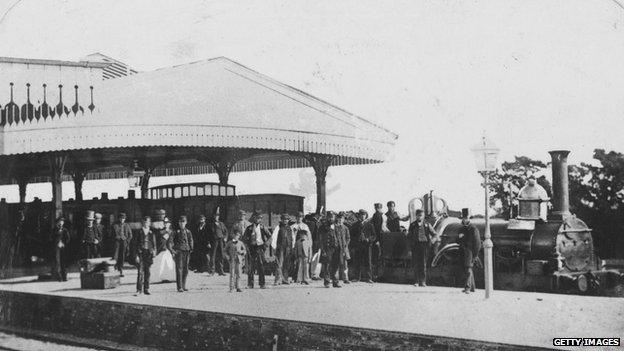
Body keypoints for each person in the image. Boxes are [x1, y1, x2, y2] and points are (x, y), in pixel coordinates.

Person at [407, 209, 437, 287]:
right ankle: (416, 281)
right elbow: (409, 237)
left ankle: (423, 281)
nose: (419, 217)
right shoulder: (412, 225)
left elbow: (435, 234)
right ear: (416, 216)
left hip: (424, 246)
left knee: (423, 264)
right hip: (415, 246)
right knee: (416, 264)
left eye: (421, 215)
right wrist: (410, 248)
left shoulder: (427, 224)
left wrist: (431, 242)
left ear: (423, 216)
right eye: (418, 215)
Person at [242, 212, 271, 289]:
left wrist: (265, 245)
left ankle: (262, 284)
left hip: (260, 247)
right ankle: (250, 284)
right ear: (254, 218)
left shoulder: (262, 227)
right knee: (251, 266)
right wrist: (246, 246)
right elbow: (244, 239)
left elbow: (270, 237)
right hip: (251, 248)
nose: (258, 220)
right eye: (257, 218)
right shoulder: (249, 228)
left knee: (261, 265)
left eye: (260, 218)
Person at [457, 208, 481, 294]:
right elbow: (457, 240)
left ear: (469, 218)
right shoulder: (461, 229)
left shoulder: (473, 229)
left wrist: (475, 255)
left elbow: (477, 244)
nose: (465, 219)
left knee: (468, 269)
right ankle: (472, 288)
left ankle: (467, 288)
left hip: (470, 252)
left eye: (466, 218)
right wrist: (459, 238)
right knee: (467, 269)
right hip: (462, 252)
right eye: (464, 218)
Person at [321, 211, 347, 288]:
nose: (331, 218)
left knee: (336, 265)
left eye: (332, 217)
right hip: (328, 248)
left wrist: (342, 249)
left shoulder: (337, 226)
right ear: (326, 217)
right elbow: (321, 239)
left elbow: (341, 238)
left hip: (337, 248)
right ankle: (327, 281)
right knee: (327, 265)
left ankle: (335, 282)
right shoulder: (323, 226)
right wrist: (323, 250)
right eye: (329, 217)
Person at [132, 216, 157, 296]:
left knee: (147, 272)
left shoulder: (151, 233)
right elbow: (135, 245)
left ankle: (146, 289)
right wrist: (136, 255)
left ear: (149, 223)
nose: (146, 224)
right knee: (140, 272)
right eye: (145, 222)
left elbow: (154, 243)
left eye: (148, 222)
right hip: (141, 253)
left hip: (148, 254)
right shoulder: (139, 232)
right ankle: (139, 289)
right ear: (143, 223)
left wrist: (154, 252)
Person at [169, 216, 194, 292]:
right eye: (180, 222)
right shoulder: (176, 232)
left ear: (186, 222)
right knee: (179, 269)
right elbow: (170, 242)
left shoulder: (188, 232)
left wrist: (191, 248)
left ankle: (183, 285)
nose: (182, 223)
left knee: (186, 269)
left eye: (183, 222)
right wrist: (172, 251)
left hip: (186, 251)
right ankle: (179, 287)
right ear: (179, 223)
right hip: (179, 251)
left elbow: (191, 240)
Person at [151, 216, 176, 283]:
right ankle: (160, 278)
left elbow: (171, 241)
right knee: (160, 264)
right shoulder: (161, 232)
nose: (166, 224)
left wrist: (172, 249)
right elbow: (160, 241)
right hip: (162, 249)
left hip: (168, 250)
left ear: (169, 223)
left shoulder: (171, 231)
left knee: (169, 264)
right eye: (165, 223)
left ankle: (167, 278)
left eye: (167, 223)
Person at [271, 214, 293, 285]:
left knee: (286, 264)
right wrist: (274, 247)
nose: (285, 220)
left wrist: (291, 247)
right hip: (280, 248)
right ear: (282, 220)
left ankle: (285, 279)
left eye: (287, 219)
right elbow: (274, 238)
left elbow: (292, 238)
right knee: (279, 264)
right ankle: (277, 280)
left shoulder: (289, 228)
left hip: (288, 248)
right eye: (284, 219)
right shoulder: (278, 227)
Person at [208, 208, 228, 276]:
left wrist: (225, 238)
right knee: (213, 256)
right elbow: (207, 234)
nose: (216, 217)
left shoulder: (221, 224)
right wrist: (208, 242)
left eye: (218, 215)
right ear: (213, 216)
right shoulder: (210, 224)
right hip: (213, 241)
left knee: (221, 255)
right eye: (215, 215)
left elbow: (226, 232)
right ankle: (212, 271)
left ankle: (221, 271)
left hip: (221, 241)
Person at [111, 212, 132, 277]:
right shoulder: (115, 225)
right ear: (119, 218)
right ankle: (115, 268)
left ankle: (120, 269)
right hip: (117, 242)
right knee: (115, 255)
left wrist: (127, 241)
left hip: (124, 242)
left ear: (125, 219)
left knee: (122, 256)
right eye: (121, 218)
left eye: (123, 218)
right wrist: (115, 238)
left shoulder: (127, 225)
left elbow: (130, 235)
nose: (122, 220)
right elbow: (111, 235)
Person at [51, 217, 70, 281]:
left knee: (63, 261)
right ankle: (59, 277)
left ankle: (64, 276)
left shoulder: (65, 230)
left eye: (62, 222)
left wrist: (63, 243)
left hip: (63, 248)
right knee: (57, 262)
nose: (61, 223)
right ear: (57, 223)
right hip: (56, 248)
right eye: (60, 222)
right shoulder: (54, 230)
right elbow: (51, 238)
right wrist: (56, 243)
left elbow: (68, 239)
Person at [336, 212, 351, 284]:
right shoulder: (334, 227)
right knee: (336, 263)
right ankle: (336, 278)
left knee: (345, 264)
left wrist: (345, 245)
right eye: (339, 218)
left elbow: (348, 238)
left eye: (342, 218)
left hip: (344, 248)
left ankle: (345, 278)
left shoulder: (345, 228)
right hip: (336, 248)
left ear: (344, 219)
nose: (340, 220)